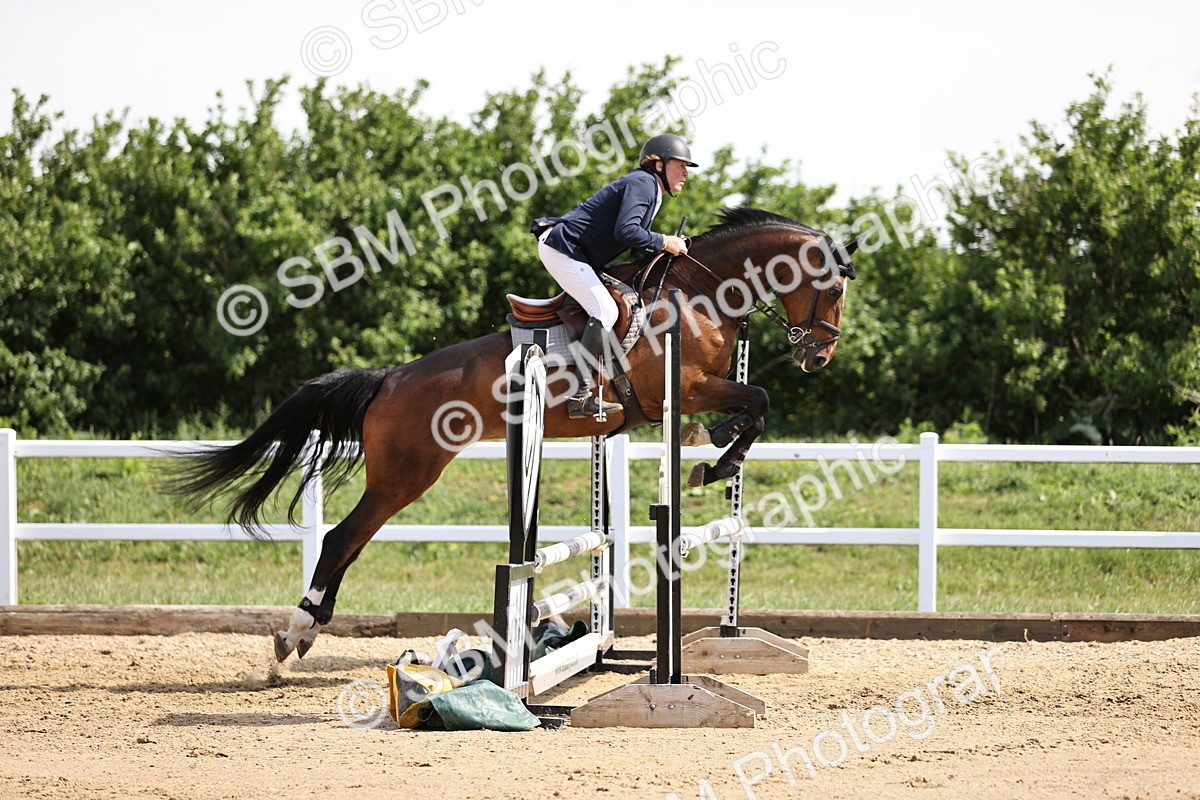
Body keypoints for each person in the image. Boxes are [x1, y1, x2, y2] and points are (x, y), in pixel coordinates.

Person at [537, 133, 697, 418]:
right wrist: (665, 241)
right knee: (605, 309)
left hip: (575, 253)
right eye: (679, 165)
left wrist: (664, 245)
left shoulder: (650, 189)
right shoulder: (644, 183)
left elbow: (630, 239)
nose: (685, 172)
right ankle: (579, 395)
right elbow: (626, 231)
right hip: (563, 249)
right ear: (659, 165)